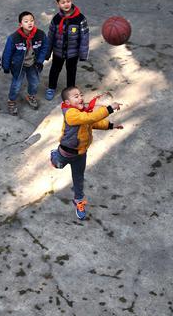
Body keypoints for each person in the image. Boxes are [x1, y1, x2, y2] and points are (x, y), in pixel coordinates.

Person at [50, 86, 123, 220]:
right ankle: (54, 155)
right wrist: (109, 109)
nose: (81, 98)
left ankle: (79, 201)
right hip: (66, 152)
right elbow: (90, 118)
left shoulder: (83, 113)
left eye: (81, 95)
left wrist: (111, 125)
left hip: (80, 155)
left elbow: (92, 123)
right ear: (67, 103)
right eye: (76, 96)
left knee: (78, 179)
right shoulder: (71, 114)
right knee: (58, 165)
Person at [2, 11, 50, 115]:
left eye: (32, 20)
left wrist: (40, 61)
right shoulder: (14, 38)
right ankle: (11, 100)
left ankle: (30, 95)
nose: (30, 23)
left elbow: (45, 47)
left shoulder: (40, 34)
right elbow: (7, 53)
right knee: (16, 85)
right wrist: (6, 66)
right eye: (26, 21)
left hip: (33, 64)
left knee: (35, 82)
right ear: (20, 24)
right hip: (19, 66)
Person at [45, 0, 89, 101]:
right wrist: (47, 52)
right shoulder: (56, 19)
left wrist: (83, 54)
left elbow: (84, 37)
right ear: (58, 3)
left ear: (71, 0)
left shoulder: (80, 19)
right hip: (58, 51)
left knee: (71, 71)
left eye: (68, 1)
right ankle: (51, 87)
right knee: (55, 69)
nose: (66, 4)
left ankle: (71, 92)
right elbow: (50, 36)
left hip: (72, 53)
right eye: (63, 2)